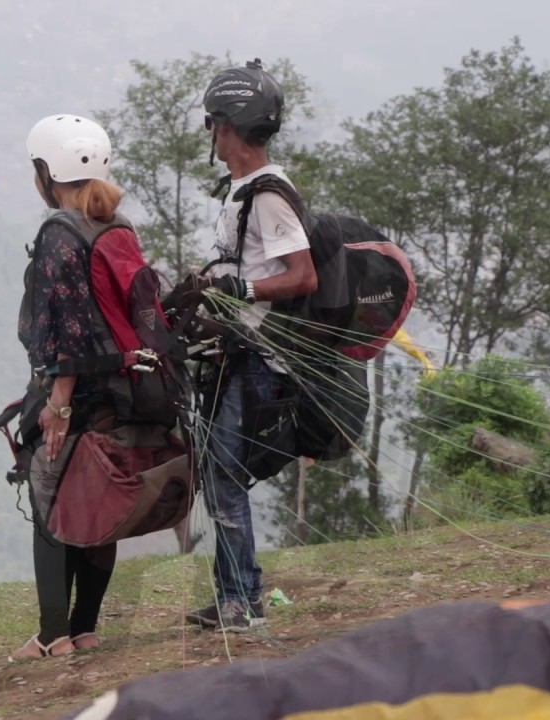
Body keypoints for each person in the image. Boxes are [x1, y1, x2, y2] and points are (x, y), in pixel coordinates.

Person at [173, 59, 318, 632]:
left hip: (258, 356)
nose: (212, 133)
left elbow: (302, 275)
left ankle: (241, 601)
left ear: (229, 125)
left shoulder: (267, 195)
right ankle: (238, 594)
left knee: (224, 476)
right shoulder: (241, 192)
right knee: (219, 475)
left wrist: (243, 287)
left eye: (213, 122)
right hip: (238, 349)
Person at [9, 114, 127, 660]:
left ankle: (53, 636)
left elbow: (72, 331)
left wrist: (57, 405)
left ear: (44, 171)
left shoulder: (60, 233)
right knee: (99, 507)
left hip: (75, 395)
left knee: (51, 503)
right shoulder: (116, 226)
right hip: (124, 393)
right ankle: (85, 627)